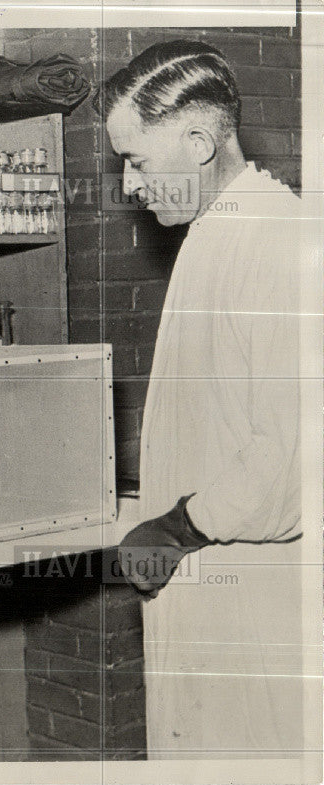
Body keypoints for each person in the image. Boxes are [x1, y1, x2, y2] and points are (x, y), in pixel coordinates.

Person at [99, 41, 304, 758]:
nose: (128, 183)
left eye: (138, 161)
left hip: (261, 606)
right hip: (212, 596)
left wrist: (175, 528)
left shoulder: (282, 245)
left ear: (198, 140)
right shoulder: (210, 234)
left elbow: (292, 460)